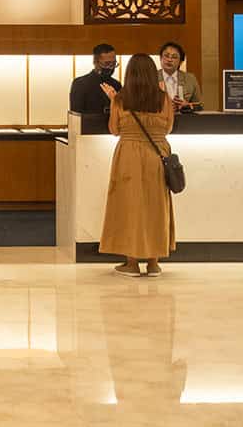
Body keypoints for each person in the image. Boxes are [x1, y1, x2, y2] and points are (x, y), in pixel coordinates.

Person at [100, 53, 177, 278]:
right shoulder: (163, 99)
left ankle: (131, 263)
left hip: (128, 155)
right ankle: (154, 263)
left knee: (129, 206)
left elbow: (114, 130)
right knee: (156, 206)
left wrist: (112, 101)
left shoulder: (121, 99)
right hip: (157, 154)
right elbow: (168, 128)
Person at [69, 43, 120, 115]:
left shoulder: (117, 85)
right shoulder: (80, 84)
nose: (111, 67)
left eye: (114, 64)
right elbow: (76, 116)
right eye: (107, 64)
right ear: (95, 62)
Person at [157, 41, 202, 109]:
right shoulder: (152, 77)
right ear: (160, 58)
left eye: (174, 57)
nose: (169, 60)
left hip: (183, 115)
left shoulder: (190, 79)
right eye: (166, 56)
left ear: (180, 62)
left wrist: (187, 106)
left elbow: (200, 106)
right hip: (159, 115)